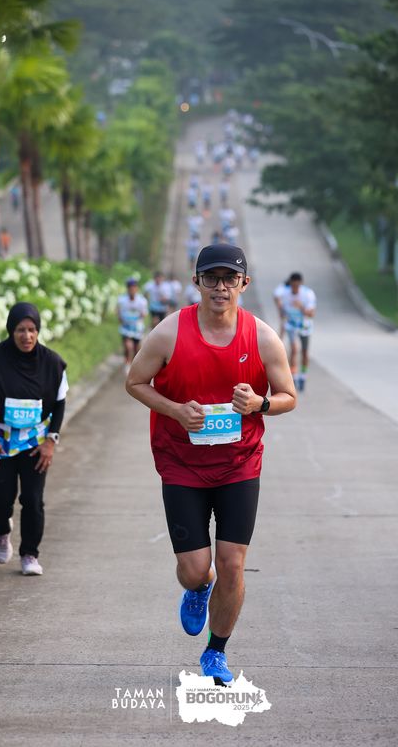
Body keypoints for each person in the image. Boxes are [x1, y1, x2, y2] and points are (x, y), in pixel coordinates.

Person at [126, 244, 296, 684]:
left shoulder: (262, 337)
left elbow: (288, 396)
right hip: (181, 464)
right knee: (195, 569)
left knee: (233, 564)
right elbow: (135, 381)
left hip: (239, 464)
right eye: (211, 278)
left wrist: (260, 403)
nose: (221, 287)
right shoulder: (169, 332)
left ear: (244, 283)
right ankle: (199, 587)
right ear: (196, 281)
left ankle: (216, 652)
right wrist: (175, 410)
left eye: (229, 278)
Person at [0, 302, 68, 576]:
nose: (27, 336)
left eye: (32, 330)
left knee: (33, 499)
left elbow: (60, 403)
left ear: (38, 331)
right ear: (11, 331)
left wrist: (51, 441)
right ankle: (2, 532)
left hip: (35, 440)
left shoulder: (52, 363)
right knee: (0, 500)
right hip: (1, 439)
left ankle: (29, 554)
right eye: (21, 330)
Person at [278, 272, 316, 392]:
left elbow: (311, 314)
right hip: (292, 326)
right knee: (294, 350)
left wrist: (301, 307)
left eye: (297, 286)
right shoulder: (285, 294)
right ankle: (293, 377)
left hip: (305, 326)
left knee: (304, 352)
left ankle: (303, 376)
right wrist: (282, 329)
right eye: (293, 286)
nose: (294, 288)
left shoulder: (308, 294)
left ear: (301, 284)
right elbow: (282, 313)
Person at [117, 278, 148, 375]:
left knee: (136, 349)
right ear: (127, 289)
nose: (132, 290)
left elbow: (144, 313)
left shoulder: (142, 301)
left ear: (137, 289)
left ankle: (134, 366)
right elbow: (118, 311)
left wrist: (138, 317)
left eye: (134, 288)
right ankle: (127, 363)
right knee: (128, 346)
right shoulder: (122, 300)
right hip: (126, 328)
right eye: (130, 288)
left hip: (137, 329)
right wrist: (121, 318)